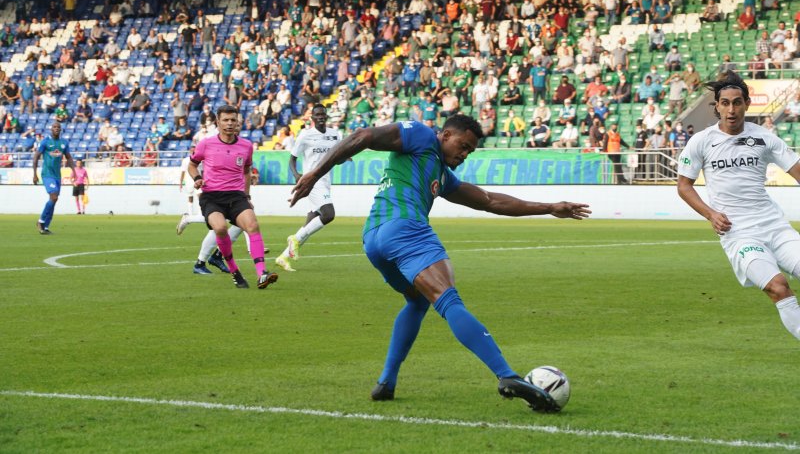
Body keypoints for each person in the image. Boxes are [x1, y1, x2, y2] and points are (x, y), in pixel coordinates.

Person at [289, 115, 590, 411]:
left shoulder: (442, 176)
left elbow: (490, 201)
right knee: (448, 299)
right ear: (445, 135)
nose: (464, 154)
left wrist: (550, 207)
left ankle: (386, 383)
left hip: (374, 239)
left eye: (470, 151)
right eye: (463, 145)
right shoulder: (420, 136)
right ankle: (506, 375)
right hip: (405, 228)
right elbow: (363, 137)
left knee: (418, 301)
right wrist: (314, 174)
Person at [677, 71, 800, 342]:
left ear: (746, 103)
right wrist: (710, 214)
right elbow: (684, 186)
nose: (731, 109)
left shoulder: (765, 138)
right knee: (778, 287)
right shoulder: (701, 141)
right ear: (717, 106)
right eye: (725, 103)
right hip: (739, 234)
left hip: (775, 227)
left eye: (737, 102)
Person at [187, 105, 278, 289]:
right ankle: (235, 272)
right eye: (226, 120)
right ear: (218, 122)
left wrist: (247, 196)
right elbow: (192, 165)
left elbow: (246, 172)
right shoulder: (206, 143)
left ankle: (262, 273)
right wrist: (197, 178)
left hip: (236, 196)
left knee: (252, 225)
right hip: (212, 196)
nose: (229, 123)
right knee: (220, 228)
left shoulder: (245, 146)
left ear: (238, 122)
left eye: (233, 120)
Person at [275, 105, 343, 272]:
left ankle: (283, 257)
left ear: (326, 116)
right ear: (312, 118)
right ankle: (294, 239)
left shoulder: (335, 134)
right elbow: (292, 159)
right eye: (317, 115)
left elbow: (338, 158)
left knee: (309, 225)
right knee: (329, 214)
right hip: (312, 181)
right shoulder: (305, 135)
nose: (320, 117)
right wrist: (297, 174)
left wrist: (344, 157)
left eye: (323, 114)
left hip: (326, 182)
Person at [33, 121, 76, 234]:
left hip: (57, 175)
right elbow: (36, 156)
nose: (56, 128)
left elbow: (69, 158)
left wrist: (74, 171)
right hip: (47, 174)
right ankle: (41, 221)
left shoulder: (63, 143)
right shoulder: (46, 141)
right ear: (51, 129)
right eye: (54, 127)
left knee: (54, 199)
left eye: (58, 127)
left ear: (60, 130)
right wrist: (34, 174)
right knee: (54, 197)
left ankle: (45, 227)